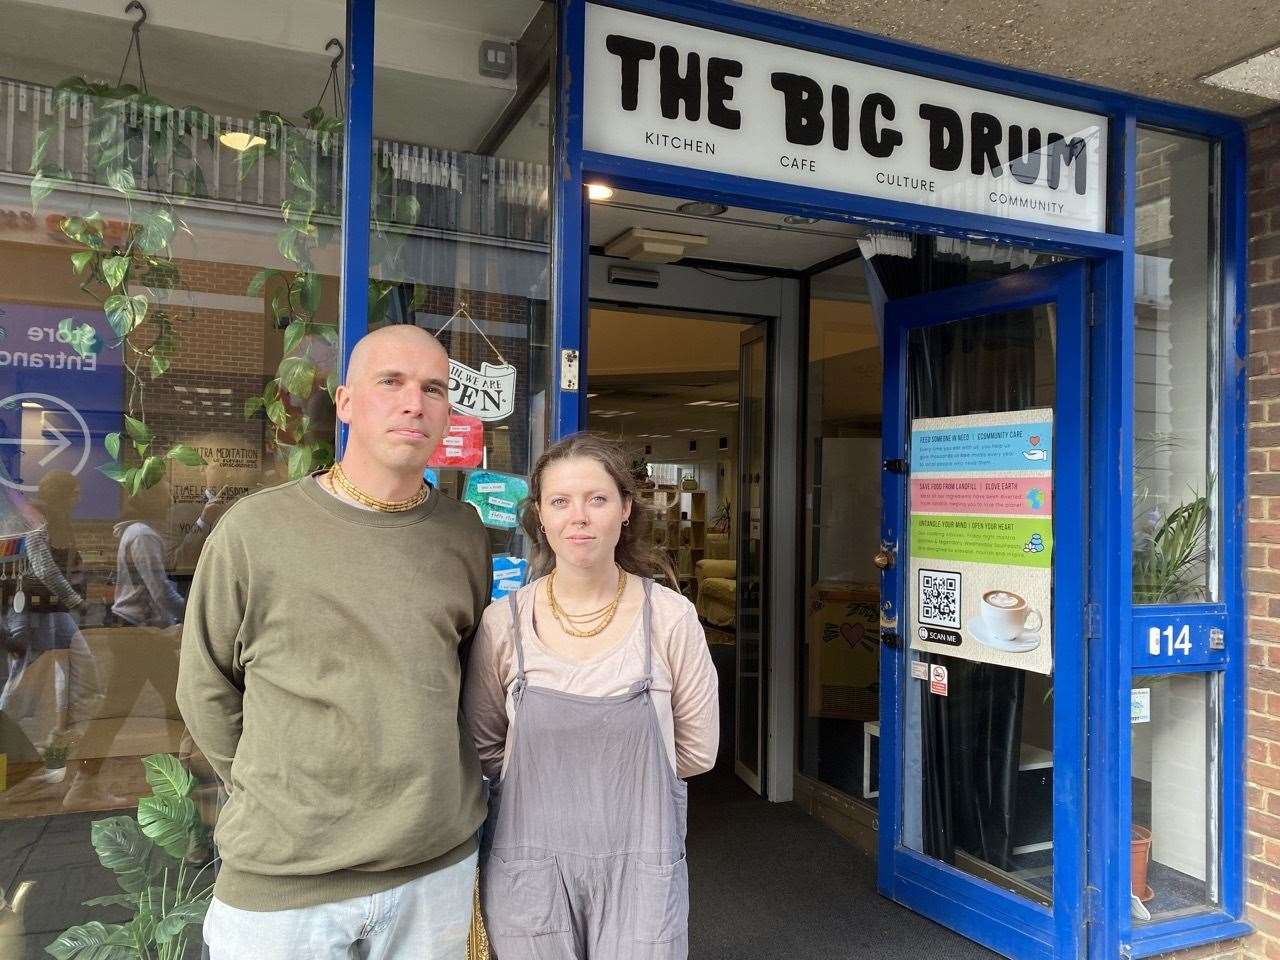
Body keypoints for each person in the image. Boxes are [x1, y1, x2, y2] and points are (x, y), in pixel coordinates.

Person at [177, 324, 491, 959]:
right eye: (391, 383)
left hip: (433, 871)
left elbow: (464, 682)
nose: (415, 402)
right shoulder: (255, 531)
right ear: (345, 402)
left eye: (434, 388)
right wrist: (278, 790)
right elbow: (205, 685)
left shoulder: (464, 534)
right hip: (284, 885)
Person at [464, 432, 719, 960]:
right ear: (540, 514)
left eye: (597, 499)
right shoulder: (503, 624)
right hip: (529, 874)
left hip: (642, 875)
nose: (578, 517)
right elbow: (485, 749)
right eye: (560, 501)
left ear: (626, 509)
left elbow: (696, 753)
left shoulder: (670, 619)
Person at [111, 479, 185, 628]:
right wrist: (190, 614)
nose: (171, 500)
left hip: (137, 622)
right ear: (154, 501)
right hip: (138, 625)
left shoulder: (138, 531)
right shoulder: (143, 535)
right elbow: (160, 591)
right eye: (167, 494)